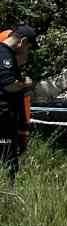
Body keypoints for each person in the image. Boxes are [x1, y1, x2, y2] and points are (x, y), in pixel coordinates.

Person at [0, 25, 37, 185]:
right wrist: (25, 83)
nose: (26, 51)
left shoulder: (6, 54)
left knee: (8, 156)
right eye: (28, 46)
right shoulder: (4, 54)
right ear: (22, 41)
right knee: (7, 157)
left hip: (7, 117)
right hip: (3, 118)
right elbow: (9, 85)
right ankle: (8, 191)